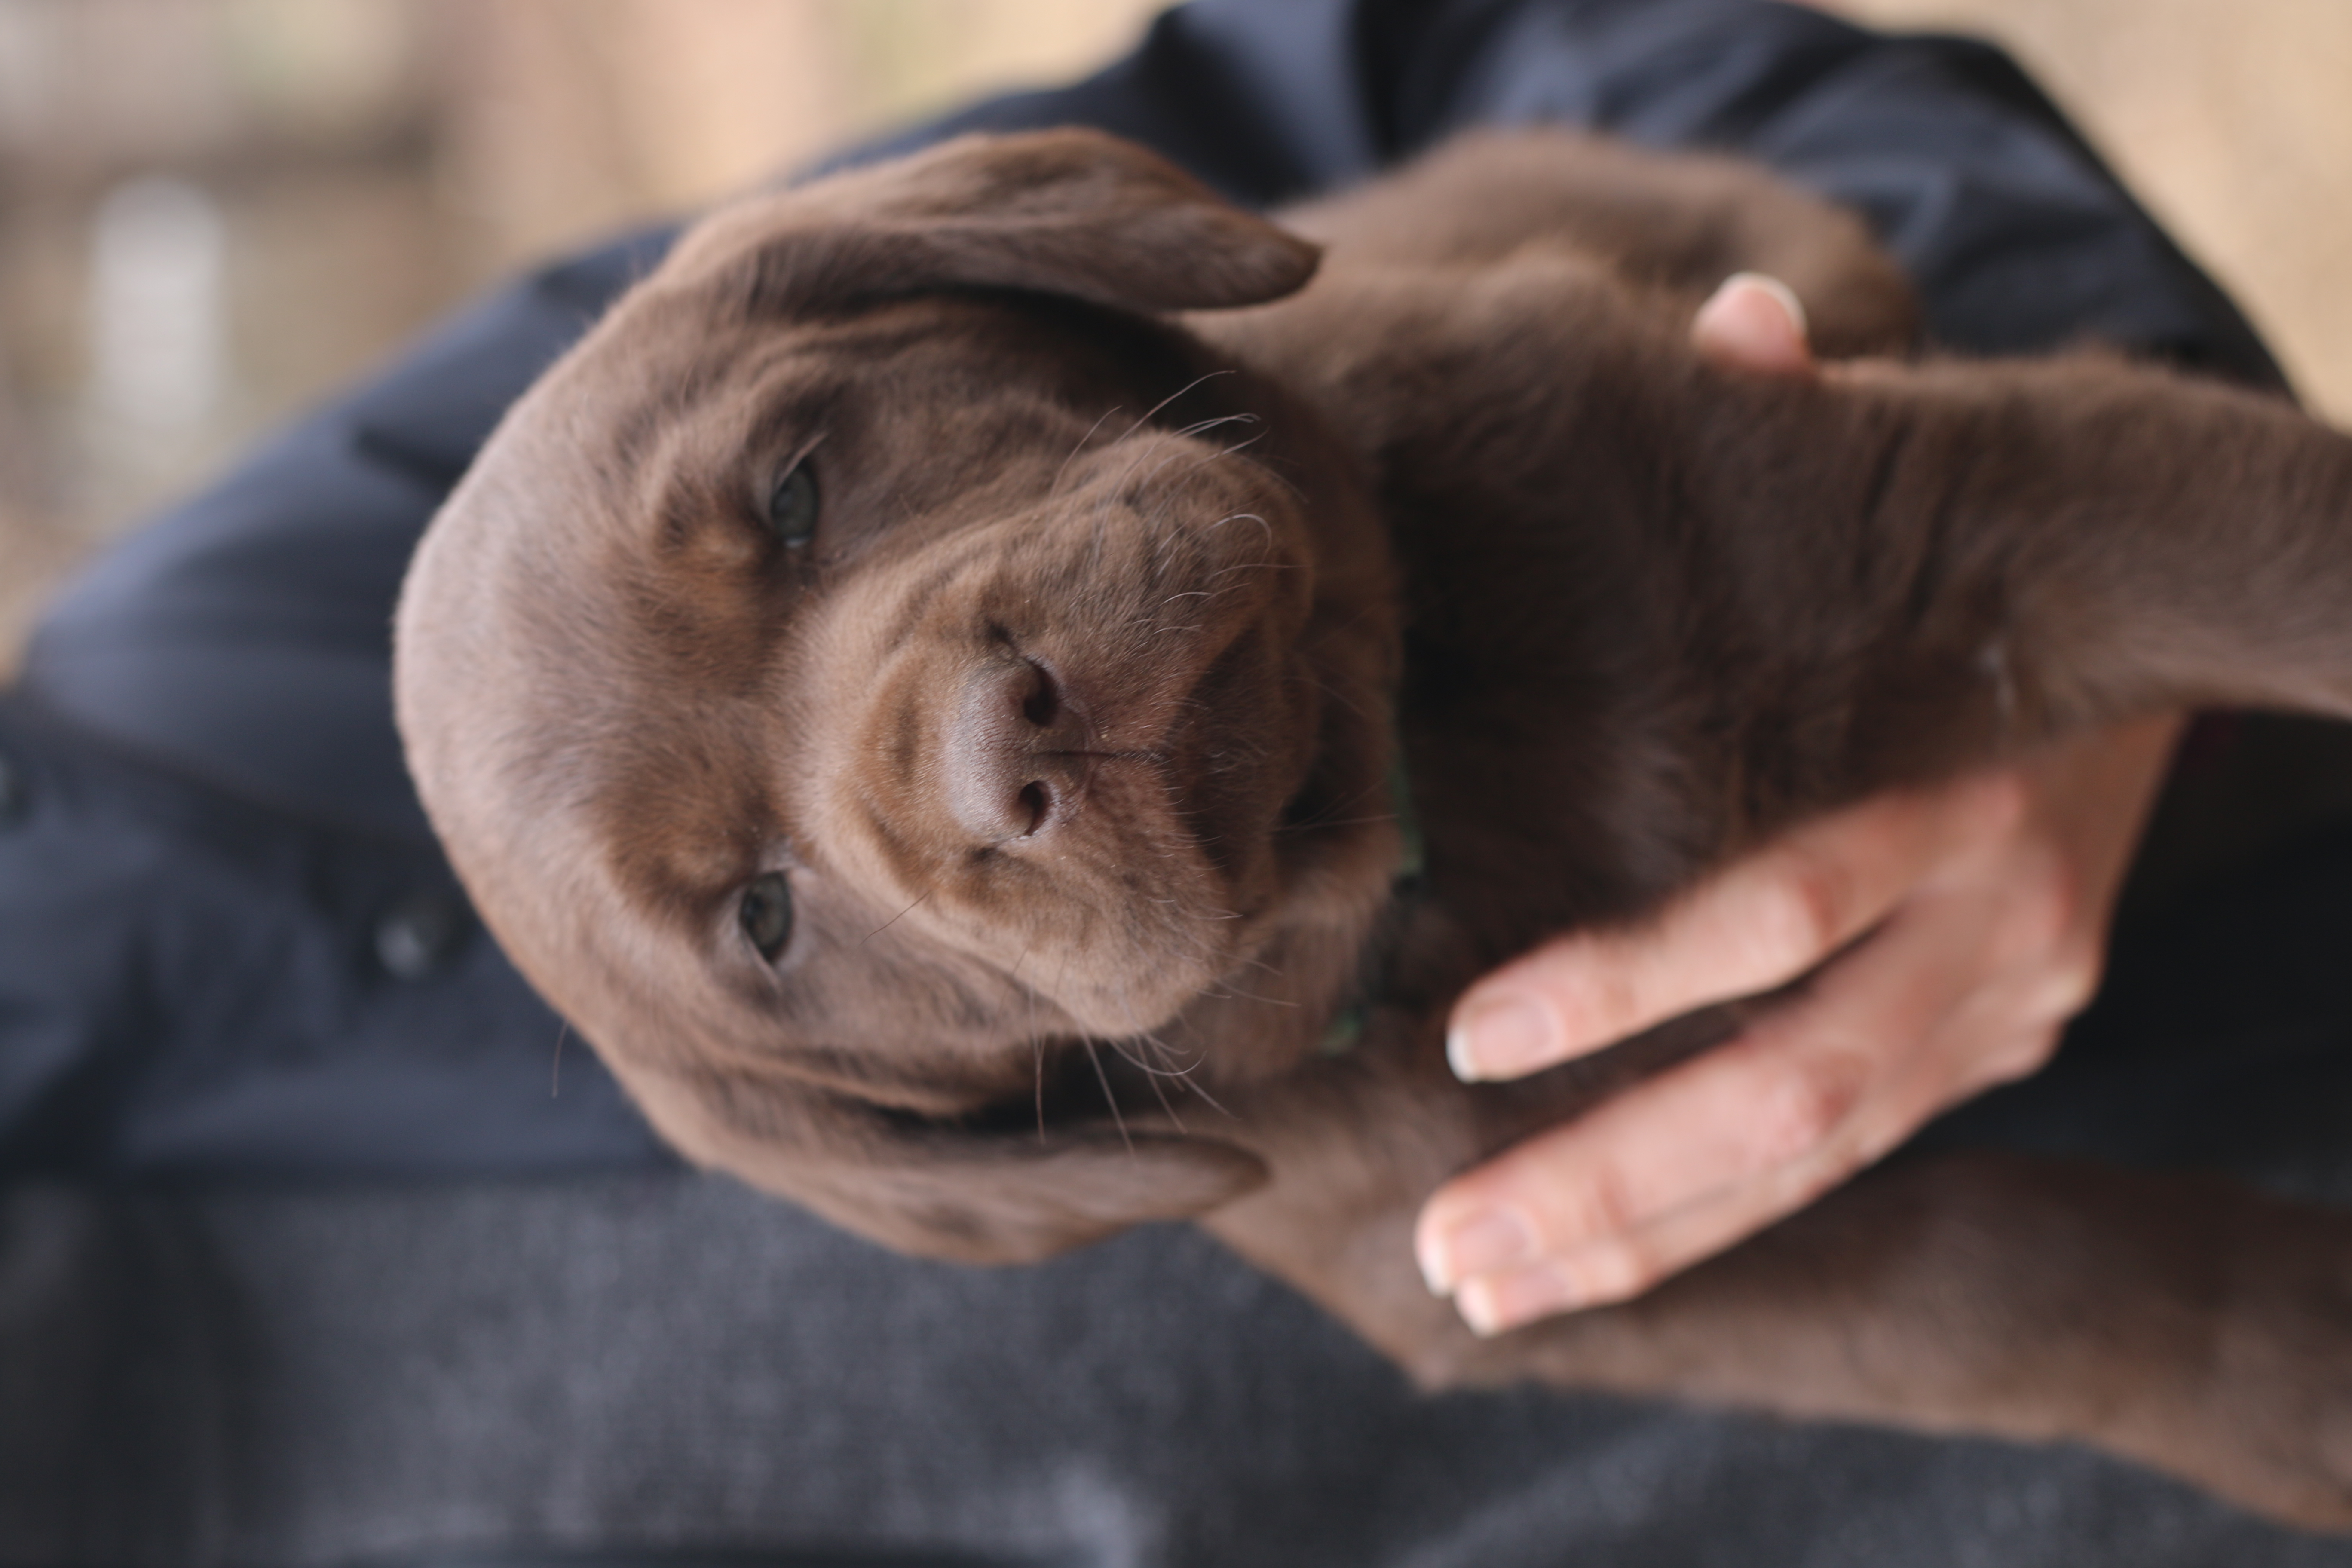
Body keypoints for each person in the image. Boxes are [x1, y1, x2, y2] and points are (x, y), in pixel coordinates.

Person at [4, 2, 2341, 1562]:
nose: (957, 747)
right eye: (769, 922)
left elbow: (1437, 45)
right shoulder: (1322, 1207)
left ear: (1036, 278)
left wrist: (2015, 487)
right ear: (888, 1126)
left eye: (808, 500)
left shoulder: (167, 740)